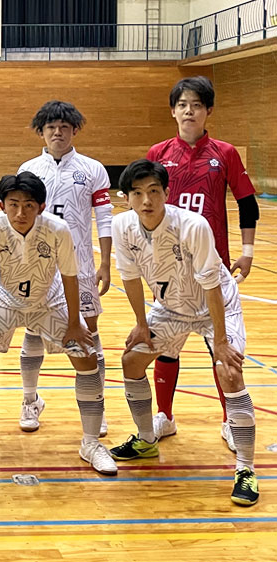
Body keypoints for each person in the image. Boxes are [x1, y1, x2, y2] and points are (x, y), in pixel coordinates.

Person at [110, 158, 258, 506]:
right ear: (126, 197)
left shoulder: (193, 226)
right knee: (131, 361)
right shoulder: (122, 226)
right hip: (171, 308)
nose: (146, 200)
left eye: (154, 191)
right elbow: (130, 278)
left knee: (230, 372)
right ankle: (147, 439)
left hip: (215, 306)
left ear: (166, 192)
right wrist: (141, 324)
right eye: (137, 193)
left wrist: (220, 342)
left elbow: (212, 285)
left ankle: (246, 469)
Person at [0, 172, 116, 475]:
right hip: (6, 299)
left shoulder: (58, 229)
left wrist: (74, 323)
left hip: (50, 300)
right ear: (2, 205)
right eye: (13, 204)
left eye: (29, 205)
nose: (20, 212)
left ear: (41, 207)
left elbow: (70, 277)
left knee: (87, 357)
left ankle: (91, 443)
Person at [146, 76, 259, 450]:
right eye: (182, 105)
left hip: (213, 269)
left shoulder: (225, 153)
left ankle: (230, 421)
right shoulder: (158, 153)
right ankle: (164, 416)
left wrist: (248, 250)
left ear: (208, 110)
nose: (188, 111)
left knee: (222, 351)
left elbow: (247, 203)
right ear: (173, 111)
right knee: (167, 346)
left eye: (196, 105)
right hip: (170, 268)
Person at [17, 100, 112, 434]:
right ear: (41, 132)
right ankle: (30, 400)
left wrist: (105, 262)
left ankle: (96, 405)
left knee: (89, 334)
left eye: (64, 127)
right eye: (51, 127)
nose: (57, 133)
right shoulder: (29, 170)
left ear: (74, 131)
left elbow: (104, 218)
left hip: (81, 267)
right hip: (39, 267)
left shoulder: (92, 169)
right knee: (32, 331)